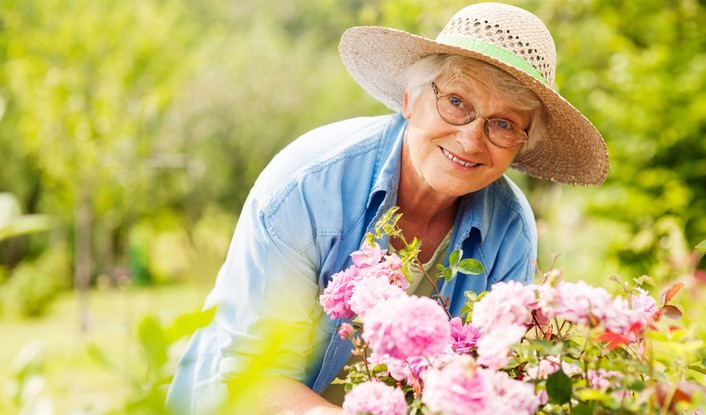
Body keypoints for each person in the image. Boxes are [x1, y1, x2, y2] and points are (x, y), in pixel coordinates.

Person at [166, 2, 609, 414]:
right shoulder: (308, 188)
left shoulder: (510, 228)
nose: (472, 140)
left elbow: (488, 380)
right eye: (456, 102)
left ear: (521, 146)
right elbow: (255, 377)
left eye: (504, 124)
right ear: (410, 99)